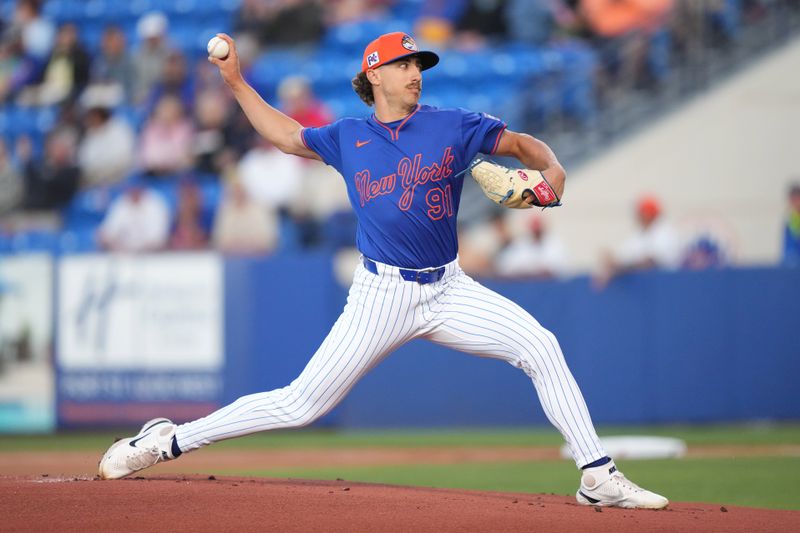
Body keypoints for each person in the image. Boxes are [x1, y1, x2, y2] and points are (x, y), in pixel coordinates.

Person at [98, 31, 668, 510]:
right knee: (301, 405)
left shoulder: (453, 125)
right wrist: (237, 84)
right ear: (375, 74)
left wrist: (553, 172)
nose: (415, 73)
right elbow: (285, 135)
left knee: (540, 346)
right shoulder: (349, 136)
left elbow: (521, 144)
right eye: (404, 64)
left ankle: (597, 476)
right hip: (381, 295)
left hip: (448, 287)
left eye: (419, 64)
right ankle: (168, 441)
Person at [594, 194, 681, 288]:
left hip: (666, 286)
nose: (638, 217)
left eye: (642, 213)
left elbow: (651, 262)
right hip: (645, 289)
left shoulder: (665, 233)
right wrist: (611, 265)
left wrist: (619, 267)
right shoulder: (639, 236)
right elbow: (622, 258)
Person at [96, 177, 170, 252]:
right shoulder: (121, 202)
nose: (133, 192)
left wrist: (136, 251)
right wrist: (118, 247)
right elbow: (106, 235)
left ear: (142, 188)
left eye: (136, 189)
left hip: (150, 255)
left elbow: (158, 240)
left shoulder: (155, 203)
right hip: (122, 254)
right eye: (131, 189)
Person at [783, 183, 800, 266]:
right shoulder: (789, 221)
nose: (794, 203)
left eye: (797, 199)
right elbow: (787, 248)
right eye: (792, 200)